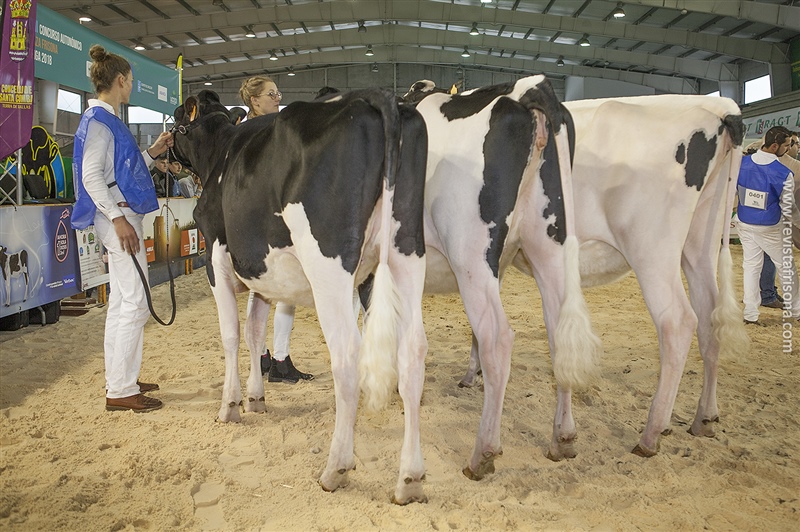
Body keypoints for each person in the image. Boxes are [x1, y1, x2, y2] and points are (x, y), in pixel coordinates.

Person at [71, 44, 174, 412]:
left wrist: (153, 151)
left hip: (119, 215)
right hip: (119, 219)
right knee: (135, 303)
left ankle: (122, 377)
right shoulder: (101, 122)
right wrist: (116, 218)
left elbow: (119, 174)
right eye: (130, 80)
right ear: (119, 80)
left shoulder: (104, 120)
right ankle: (120, 390)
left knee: (121, 302)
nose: (131, 86)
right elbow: (91, 177)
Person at [238, 76, 312, 383]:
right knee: (279, 289)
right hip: (264, 216)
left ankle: (267, 356)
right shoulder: (254, 131)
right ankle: (276, 358)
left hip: (260, 216)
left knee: (263, 290)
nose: (278, 97)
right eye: (271, 94)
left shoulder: (252, 128)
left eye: (278, 92)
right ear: (255, 100)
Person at [736, 126, 799, 325]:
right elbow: (788, 209)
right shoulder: (783, 173)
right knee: (786, 267)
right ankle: (797, 311)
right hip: (770, 227)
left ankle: (750, 313)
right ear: (774, 146)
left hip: (744, 222)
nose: (788, 149)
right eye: (787, 145)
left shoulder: (741, 163)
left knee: (751, 266)